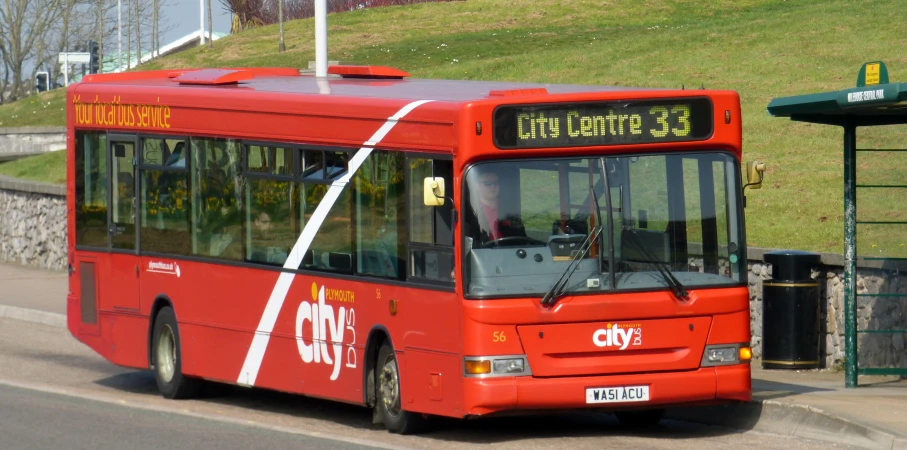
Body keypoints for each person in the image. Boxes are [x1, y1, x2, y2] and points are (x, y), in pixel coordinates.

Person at [465, 166, 527, 246]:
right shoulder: (470, 212)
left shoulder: (508, 210)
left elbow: (521, 237)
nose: (493, 187)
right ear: (476, 185)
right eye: (488, 184)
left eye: (496, 183)